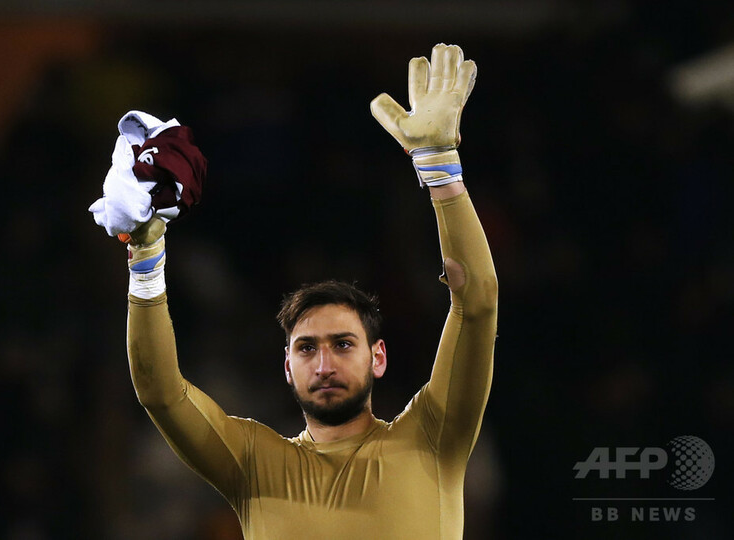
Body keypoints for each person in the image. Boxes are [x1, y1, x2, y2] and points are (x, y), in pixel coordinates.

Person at [113, 43, 497, 539]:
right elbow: (160, 392)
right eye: (307, 348)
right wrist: (145, 258)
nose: (324, 364)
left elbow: (477, 302)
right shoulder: (252, 464)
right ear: (287, 367)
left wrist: (440, 167)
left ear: (378, 357)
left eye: (343, 344)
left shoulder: (432, 437)